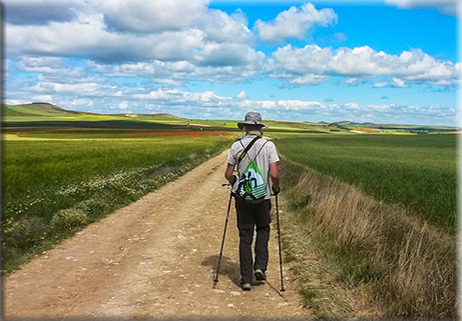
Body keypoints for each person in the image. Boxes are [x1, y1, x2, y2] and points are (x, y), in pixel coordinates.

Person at [224, 111, 280, 291]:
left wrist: (234, 183)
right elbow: (274, 174)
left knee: (245, 236)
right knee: (263, 229)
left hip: (242, 197)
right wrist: (275, 187)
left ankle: (246, 278)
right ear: (259, 128)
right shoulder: (268, 145)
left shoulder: (236, 146)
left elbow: (228, 174)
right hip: (262, 197)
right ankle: (260, 267)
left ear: (245, 127)